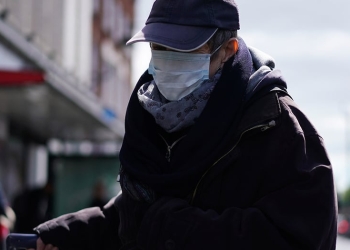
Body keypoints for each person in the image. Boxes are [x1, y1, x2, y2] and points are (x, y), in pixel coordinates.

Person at [29, 0, 338, 249]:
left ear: (227, 51)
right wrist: (68, 232)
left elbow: (300, 237)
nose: (165, 61)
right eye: (158, 48)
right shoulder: (151, 118)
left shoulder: (280, 128)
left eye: (183, 49)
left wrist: (172, 227)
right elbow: (133, 217)